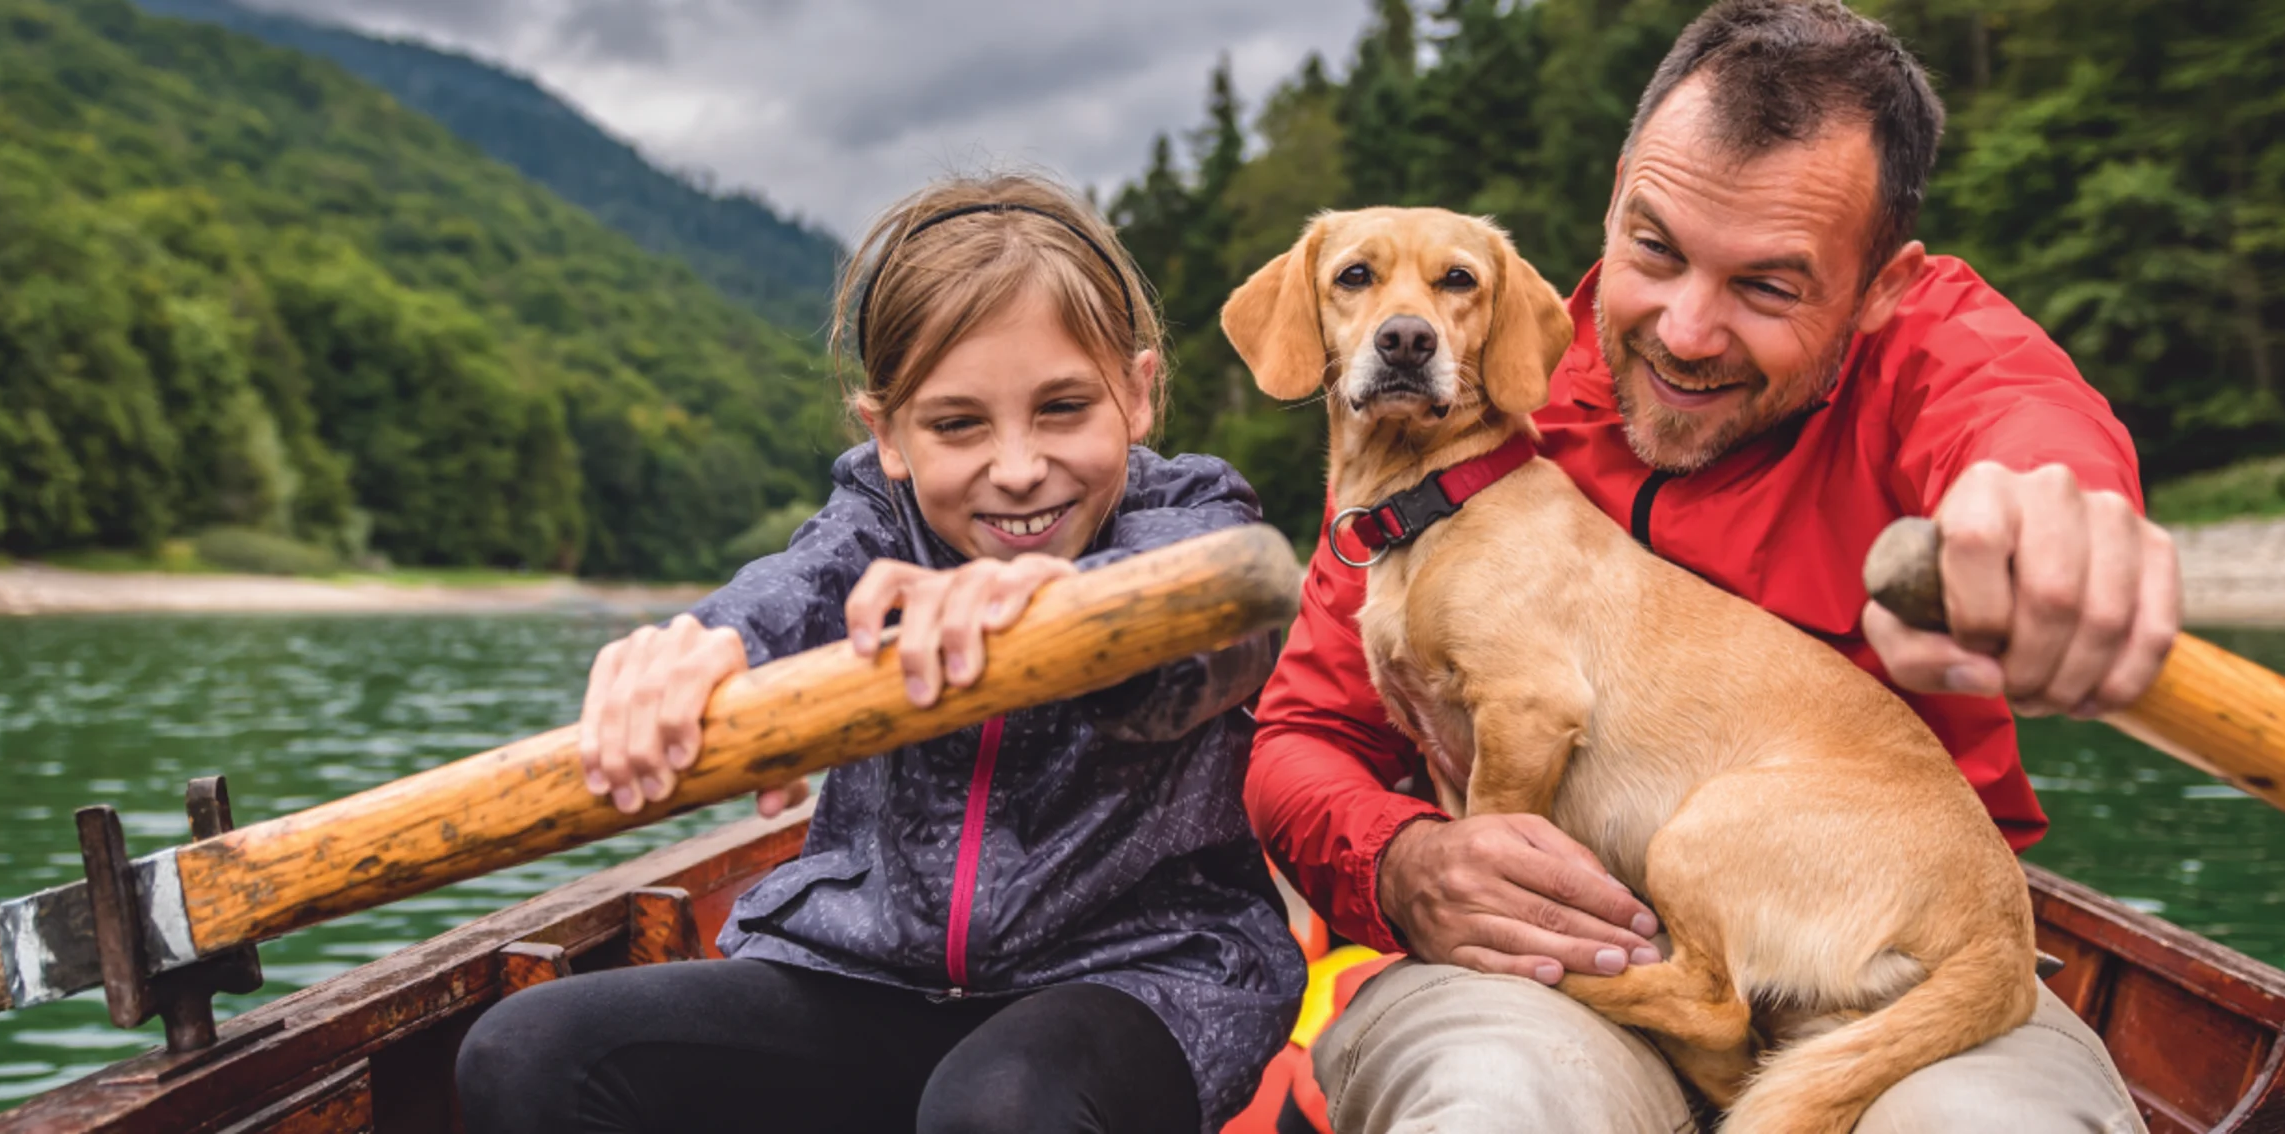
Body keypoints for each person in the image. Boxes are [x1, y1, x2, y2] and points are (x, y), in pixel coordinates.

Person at [1243, 2, 2179, 1131]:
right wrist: (1404, 862)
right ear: (1618, 190)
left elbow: (2020, 412)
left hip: (1904, 959)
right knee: (1496, 1101)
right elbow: (1300, 742)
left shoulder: (1927, 348)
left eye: (1769, 286)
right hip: (1574, 965)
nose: (1687, 331)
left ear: (1878, 286)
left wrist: (2050, 509)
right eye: (1656, 249)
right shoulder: (1448, 451)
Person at [454, 171, 1304, 1134]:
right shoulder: (873, 525)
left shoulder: (1192, 518)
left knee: (997, 1111)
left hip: (1137, 982)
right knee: (530, 1052)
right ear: (888, 433)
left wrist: (1067, 610)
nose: (1019, 468)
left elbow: (1215, 624)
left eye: (1064, 408)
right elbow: (790, 593)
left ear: (1138, 396)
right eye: (956, 424)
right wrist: (702, 645)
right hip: (869, 972)